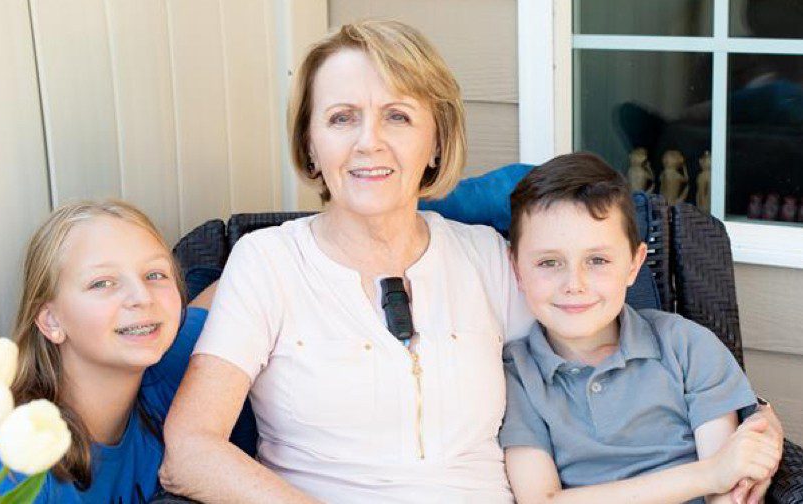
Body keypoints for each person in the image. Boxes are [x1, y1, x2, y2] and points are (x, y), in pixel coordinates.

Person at [160, 19, 534, 503]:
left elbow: (580, 385)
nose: (368, 142)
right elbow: (189, 451)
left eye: (397, 116)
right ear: (311, 145)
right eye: (341, 118)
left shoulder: (486, 256)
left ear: (437, 141)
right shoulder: (268, 261)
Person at [499, 153, 782, 503]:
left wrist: (721, 475)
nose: (574, 283)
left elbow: (726, 493)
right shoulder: (517, 374)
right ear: (516, 269)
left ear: (634, 264)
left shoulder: (686, 346)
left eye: (598, 260)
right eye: (549, 262)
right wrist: (708, 474)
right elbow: (540, 500)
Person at [0, 200, 214, 502]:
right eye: (102, 283)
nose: (142, 297)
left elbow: (236, 287)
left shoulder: (174, 373)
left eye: (155, 275)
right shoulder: (13, 464)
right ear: (51, 320)